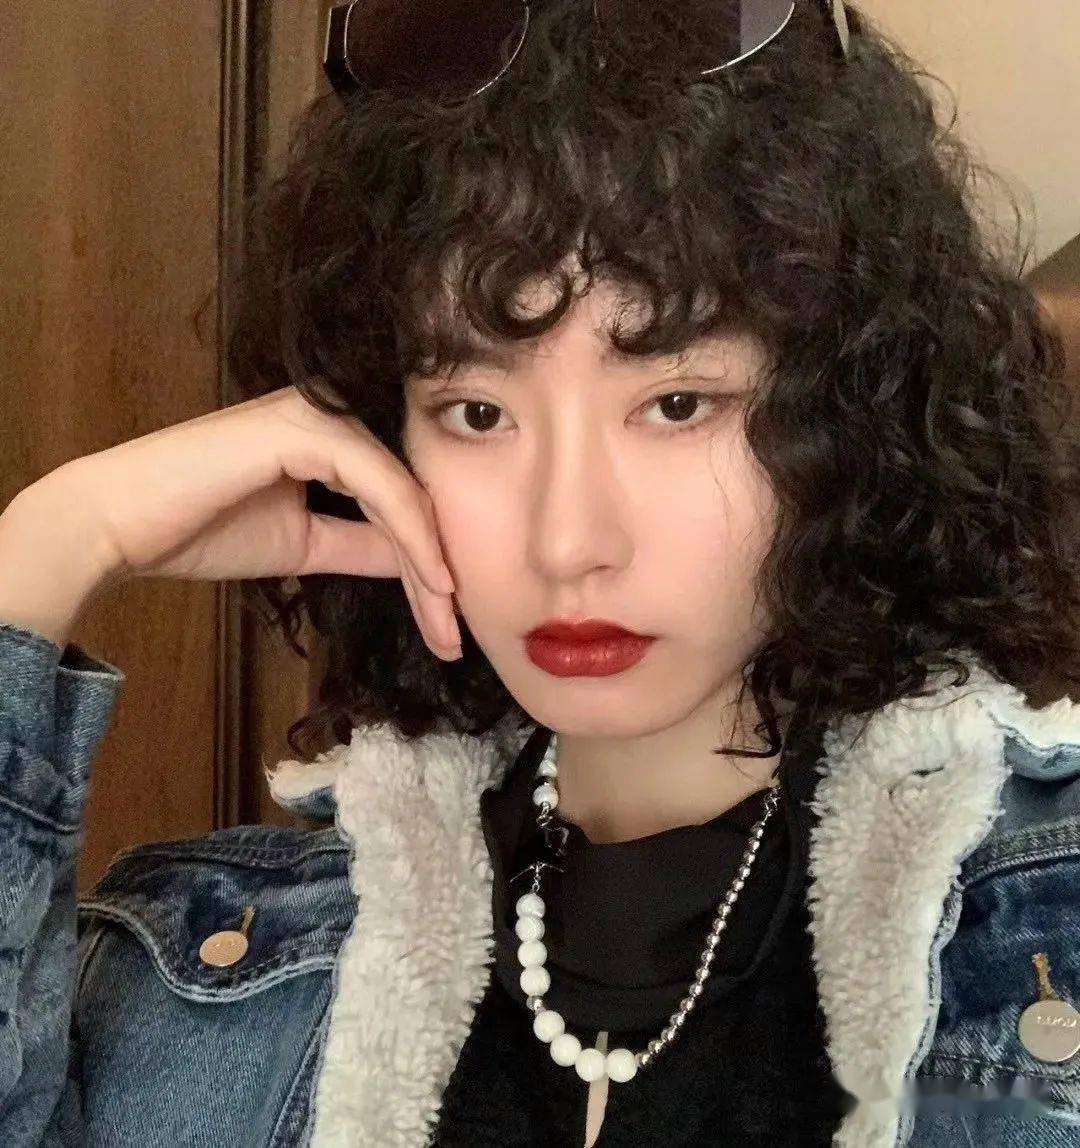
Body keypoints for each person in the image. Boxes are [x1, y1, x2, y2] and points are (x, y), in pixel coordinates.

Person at [2, 1, 1080, 1145]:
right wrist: (51, 544)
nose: (568, 541)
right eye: (476, 412)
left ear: (849, 416)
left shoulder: (1038, 928)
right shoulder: (209, 971)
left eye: (677, 402)